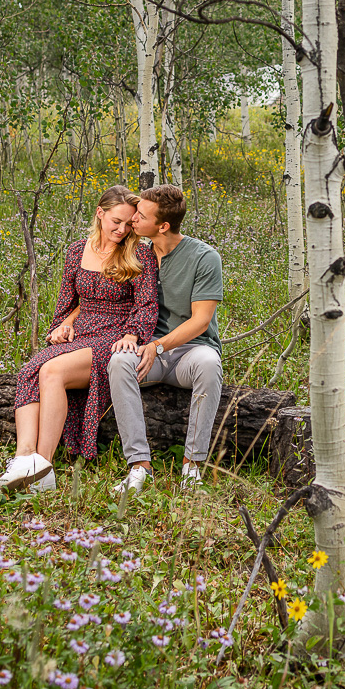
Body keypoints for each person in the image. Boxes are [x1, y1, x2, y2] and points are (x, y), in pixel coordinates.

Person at [0, 186, 158, 492]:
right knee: (29, 370)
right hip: (81, 333)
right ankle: (23, 457)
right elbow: (68, 303)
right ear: (100, 213)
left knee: (52, 371)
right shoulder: (76, 251)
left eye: (128, 224)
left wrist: (131, 334)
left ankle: (42, 467)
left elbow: (146, 304)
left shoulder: (139, 253)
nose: (122, 230)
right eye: (116, 221)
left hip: (114, 336)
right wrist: (64, 325)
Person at [108, 184, 223, 494]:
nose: (132, 220)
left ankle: (192, 466)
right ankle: (139, 466)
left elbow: (200, 321)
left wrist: (157, 345)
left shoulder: (204, 258)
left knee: (210, 365)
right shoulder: (137, 253)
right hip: (149, 354)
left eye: (140, 216)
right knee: (119, 362)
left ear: (163, 226)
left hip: (190, 352)